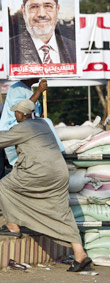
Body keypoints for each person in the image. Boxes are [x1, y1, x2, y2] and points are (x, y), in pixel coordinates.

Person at [0, 99, 91, 272]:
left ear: (21, 114)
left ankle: (12, 225)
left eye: (16, 112)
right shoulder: (42, 123)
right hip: (59, 172)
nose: (14, 115)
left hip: (38, 172)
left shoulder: (22, 128)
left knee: (4, 185)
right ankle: (80, 253)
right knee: (61, 210)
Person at [9, 0, 76, 65]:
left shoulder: (73, 47)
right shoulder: (10, 49)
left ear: (57, 10)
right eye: (34, 7)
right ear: (24, 11)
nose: (42, 14)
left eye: (48, 6)